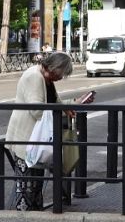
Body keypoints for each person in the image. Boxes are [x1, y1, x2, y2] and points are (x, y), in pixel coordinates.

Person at [5, 51, 74, 211]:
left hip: (36, 140)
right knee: (27, 187)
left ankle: (35, 219)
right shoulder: (35, 77)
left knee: (35, 186)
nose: (61, 78)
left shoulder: (46, 78)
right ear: (54, 68)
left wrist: (70, 105)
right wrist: (57, 112)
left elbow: (55, 101)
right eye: (61, 74)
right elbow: (36, 110)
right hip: (27, 140)